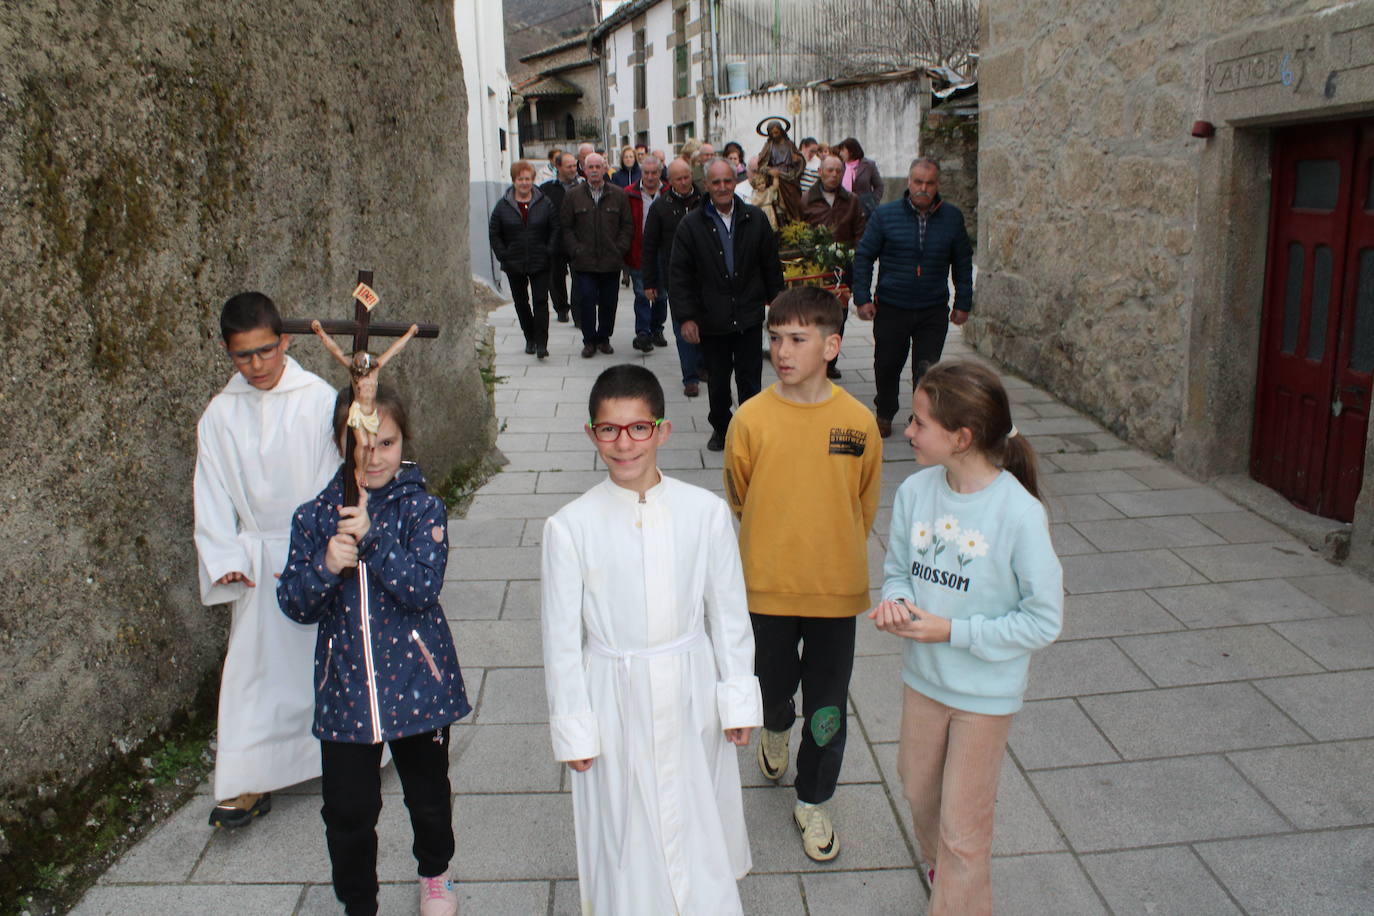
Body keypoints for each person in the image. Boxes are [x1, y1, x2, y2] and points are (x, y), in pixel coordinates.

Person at [541, 364, 762, 915]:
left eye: (639, 428)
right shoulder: (570, 527)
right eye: (609, 430)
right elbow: (561, 641)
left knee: (695, 811)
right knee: (624, 824)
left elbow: (730, 614)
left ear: (662, 431)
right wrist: (575, 728)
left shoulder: (704, 513)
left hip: (690, 688)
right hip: (613, 697)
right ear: (592, 434)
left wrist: (737, 697)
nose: (624, 443)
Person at [869, 360, 1062, 915]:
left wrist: (953, 630)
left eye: (920, 423)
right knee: (918, 793)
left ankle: (956, 893)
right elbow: (898, 570)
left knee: (963, 834)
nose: (908, 431)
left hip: (984, 698)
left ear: (962, 437)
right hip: (923, 683)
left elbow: (1044, 620)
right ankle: (949, 878)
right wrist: (897, 602)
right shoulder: (914, 491)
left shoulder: (1019, 515)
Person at [279, 386, 469, 916]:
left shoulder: (422, 508)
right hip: (346, 693)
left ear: (403, 442)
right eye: (359, 442)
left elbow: (422, 589)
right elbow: (294, 604)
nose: (373, 455)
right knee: (347, 812)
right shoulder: (314, 517)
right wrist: (326, 565)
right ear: (339, 443)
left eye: (386, 442)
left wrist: (373, 541)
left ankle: (435, 873)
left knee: (428, 797)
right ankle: (358, 901)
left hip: (418, 685)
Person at [724, 286, 882, 862]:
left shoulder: (859, 422)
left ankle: (813, 800)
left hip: (835, 593)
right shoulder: (752, 419)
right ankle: (772, 725)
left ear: (832, 345)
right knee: (771, 682)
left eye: (797, 339)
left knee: (827, 706)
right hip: (766, 585)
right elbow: (740, 492)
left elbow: (863, 502)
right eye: (774, 339)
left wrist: (831, 552)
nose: (782, 351)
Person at [194, 292, 339, 830]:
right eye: (241, 356)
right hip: (257, 554)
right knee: (253, 673)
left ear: (284, 342)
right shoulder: (219, 415)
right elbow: (209, 492)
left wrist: (331, 550)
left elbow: (336, 477)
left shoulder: (318, 400)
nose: (255, 365)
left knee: (325, 661)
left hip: (313, 552)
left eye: (263, 351)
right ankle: (247, 780)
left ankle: (347, 752)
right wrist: (225, 555)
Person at [852, 157, 974, 437]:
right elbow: (864, 256)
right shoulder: (885, 216)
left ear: (937, 185)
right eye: (918, 182)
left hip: (932, 307)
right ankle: (884, 411)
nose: (923, 188)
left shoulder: (952, 218)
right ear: (909, 183)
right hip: (893, 306)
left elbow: (963, 261)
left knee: (927, 370)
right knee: (886, 364)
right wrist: (862, 297)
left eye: (929, 183)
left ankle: (921, 419)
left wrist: (963, 303)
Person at [669, 158, 784, 451]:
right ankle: (721, 427)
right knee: (718, 383)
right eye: (716, 182)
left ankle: (749, 431)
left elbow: (770, 266)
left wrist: (780, 309)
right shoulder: (691, 224)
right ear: (706, 185)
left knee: (751, 381)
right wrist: (687, 318)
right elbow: (680, 275)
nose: (722, 187)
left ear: (736, 182)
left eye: (728, 181)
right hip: (712, 319)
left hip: (748, 316)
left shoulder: (755, 218)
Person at [560, 152, 635, 357]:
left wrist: (619, 248)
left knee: (609, 302)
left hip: (611, 260)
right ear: (584, 170)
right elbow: (566, 227)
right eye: (590, 167)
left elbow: (627, 226)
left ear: (604, 169)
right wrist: (575, 249)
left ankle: (604, 337)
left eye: (597, 167)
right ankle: (589, 340)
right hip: (584, 262)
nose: (594, 170)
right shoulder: (573, 195)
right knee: (587, 299)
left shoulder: (618, 195)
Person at [643, 158, 706, 398]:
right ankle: (689, 376)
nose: (683, 182)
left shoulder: (704, 201)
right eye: (678, 178)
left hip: (706, 275)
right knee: (683, 326)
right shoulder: (661, 206)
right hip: (676, 276)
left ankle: (701, 365)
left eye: (686, 177)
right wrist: (650, 282)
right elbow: (649, 246)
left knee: (704, 324)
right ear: (669, 181)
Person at [803, 154, 868, 380]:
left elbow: (861, 232)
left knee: (837, 314)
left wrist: (856, 258)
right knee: (812, 316)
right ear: (820, 172)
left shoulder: (852, 201)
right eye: (829, 170)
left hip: (843, 266)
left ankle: (830, 362)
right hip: (815, 268)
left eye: (838, 171)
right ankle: (812, 360)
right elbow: (798, 232)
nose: (833, 175)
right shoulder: (806, 199)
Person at [490, 159, 559, 359]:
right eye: (520, 179)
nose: (524, 183)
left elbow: (555, 228)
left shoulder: (544, 202)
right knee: (521, 302)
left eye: (528, 179)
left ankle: (542, 343)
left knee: (540, 301)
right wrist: (504, 254)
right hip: (514, 262)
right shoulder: (503, 206)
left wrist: (549, 250)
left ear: (533, 180)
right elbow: (494, 232)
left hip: (540, 260)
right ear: (514, 181)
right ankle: (529, 337)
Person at [625, 155, 667, 353]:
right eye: (647, 173)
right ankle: (643, 332)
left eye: (654, 173)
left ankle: (657, 328)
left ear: (660, 172)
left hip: (665, 251)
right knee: (641, 293)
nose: (650, 177)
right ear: (641, 172)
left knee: (662, 294)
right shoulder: (629, 193)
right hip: (639, 250)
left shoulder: (668, 192)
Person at [542, 151, 583, 326]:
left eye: (575, 165)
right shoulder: (546, 189)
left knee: (579, 278)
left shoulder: (583, 187)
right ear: (558, 167)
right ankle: (561, 308)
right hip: (556, 241)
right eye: (569, 166)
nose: (574, 169)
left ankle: (578, 313)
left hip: (577, 239)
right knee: (556, 278)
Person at [756, 118, 805, 223]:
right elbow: (761, 165)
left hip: (790, 178)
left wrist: (798, 160)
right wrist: (769, 171)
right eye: (772, 133)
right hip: (776, 179)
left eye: (776, 132)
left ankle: (796, 226)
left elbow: (800, 160)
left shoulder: (789, 144)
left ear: (781, 131)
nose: (775, 135)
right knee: (779, 207)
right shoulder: (769, 146)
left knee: (794, 204)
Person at [836, 137, 884, 214]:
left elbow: (879, 186)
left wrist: (873, 201)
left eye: (843, 150)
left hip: (864, 210)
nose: (840, 153)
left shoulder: (868, 165)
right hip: (843, 209)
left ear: (851, 151)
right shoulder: (840, 166)